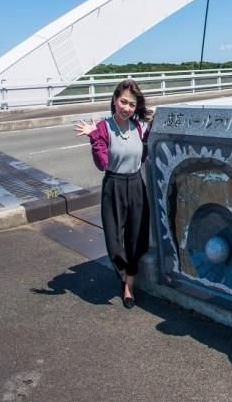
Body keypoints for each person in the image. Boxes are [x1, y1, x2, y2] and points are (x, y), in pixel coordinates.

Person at [74, 79, 155, 309]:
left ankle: (129, 285)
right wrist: (94, 138)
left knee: (136, 237)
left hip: (136, 184)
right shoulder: (103, 128)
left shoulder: (138, 127)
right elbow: (102, 163)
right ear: (114, 100)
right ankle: (122, 274)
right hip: (114, 185)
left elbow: (143, 155)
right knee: (113, 238)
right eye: (123, 102)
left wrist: (153, 124)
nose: (126, 108)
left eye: (131, 104)